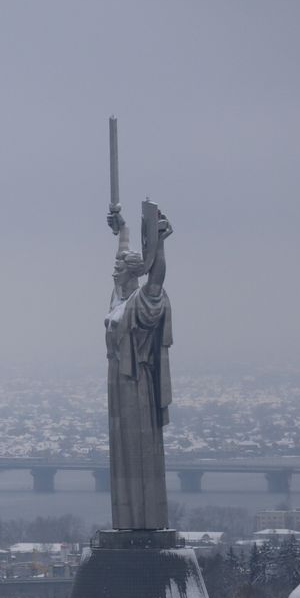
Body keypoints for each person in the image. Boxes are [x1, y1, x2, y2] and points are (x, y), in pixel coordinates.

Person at [104, 204, 173, 530]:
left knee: (138, 453)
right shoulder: (118, 302)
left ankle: (143, 522)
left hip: (136, 388)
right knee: (121, 452)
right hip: (118, 386)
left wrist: (159, 242)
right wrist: (124, 229)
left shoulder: (143, 302)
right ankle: (127, 521)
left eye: (119, 269)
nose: (114, 273)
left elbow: (156, 277)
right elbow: (123, 258)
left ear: (132, 274)